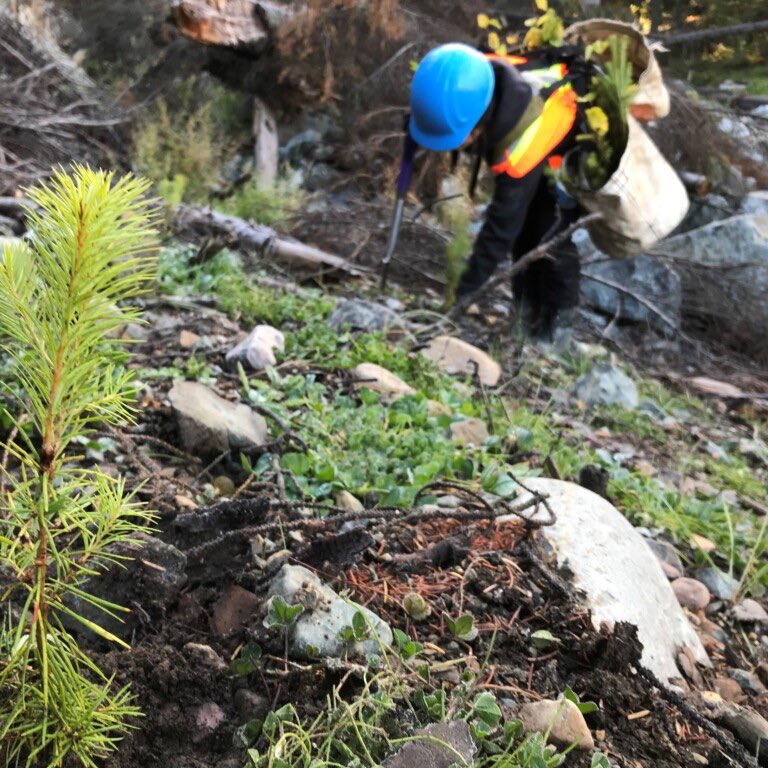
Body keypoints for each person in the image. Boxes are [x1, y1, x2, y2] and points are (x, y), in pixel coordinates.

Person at [407, 42, 588, 346]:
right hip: (542, 128)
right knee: (524, 238)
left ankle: (557, 333)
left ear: (478, 126)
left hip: (569, 152)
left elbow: (498, 232)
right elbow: (436, 99)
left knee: (547, 234)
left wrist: (460, 301)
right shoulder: (476, 75)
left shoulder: (519, 151)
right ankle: (522, 321)